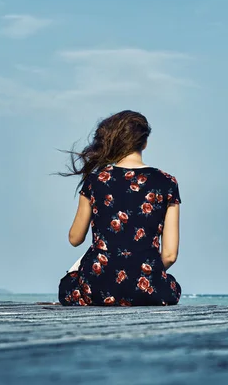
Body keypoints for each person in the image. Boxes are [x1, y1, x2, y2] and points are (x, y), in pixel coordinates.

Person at [57, 110, 182, 306]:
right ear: (145, 143)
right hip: (148, 288)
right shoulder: (167, 182)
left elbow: (75, 239)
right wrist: (143, 272)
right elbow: (169, 255)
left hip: (97, 287)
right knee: (173, 286)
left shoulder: (96, 180)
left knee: (67, 284)